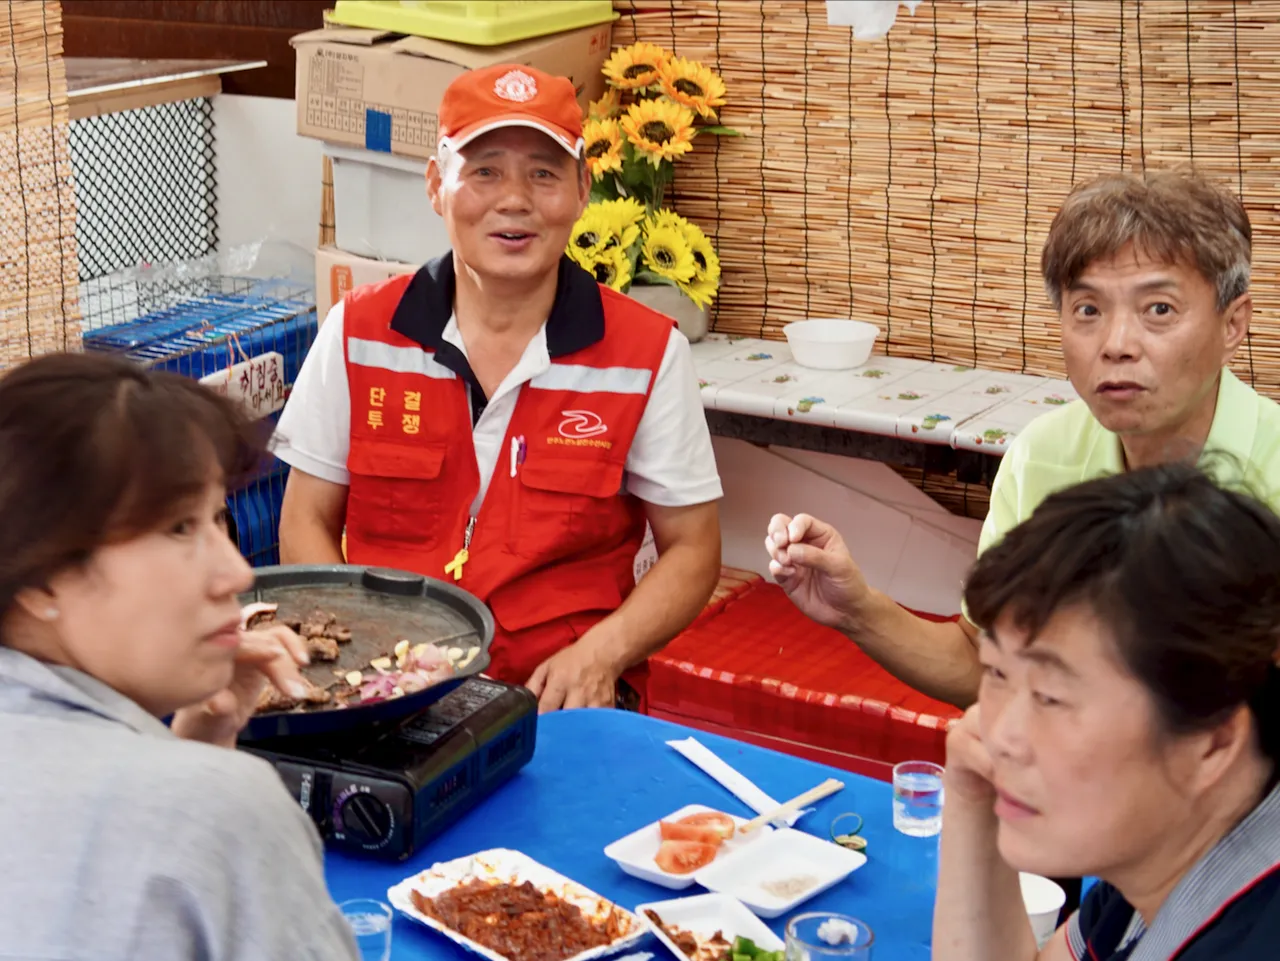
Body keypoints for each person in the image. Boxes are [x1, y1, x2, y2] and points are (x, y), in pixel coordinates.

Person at [274, 64, 723, 712]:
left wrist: (602, 653)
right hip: (389, 689)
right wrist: (369, 660)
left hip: (561, 700)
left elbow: (693, 549)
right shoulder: (359, 332)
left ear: (583, 188)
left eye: (543, 172)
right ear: (436, 184)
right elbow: (305, 520)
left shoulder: (647, 353)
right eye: (484, 170)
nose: (514, 199)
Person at [765, 169, 1280, 707]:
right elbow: (983, 665)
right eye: (1088, 310)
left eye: (1158, 310)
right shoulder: (1041, 457)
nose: (1117, 344)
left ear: (1232, 326)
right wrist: (856, 608)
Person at [0, 353, 359, 961]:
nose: (236, 572)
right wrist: (203, 782)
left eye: (218, 521)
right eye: (177, 529)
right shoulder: (224, 809)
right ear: (41, 577)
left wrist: (196, 749)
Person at [933, 464, 1280, 960]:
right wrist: (971, 801)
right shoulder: (1163, 846)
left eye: (1051, 696)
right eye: (996, 673)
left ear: (1213, 741)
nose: (1000, 735)